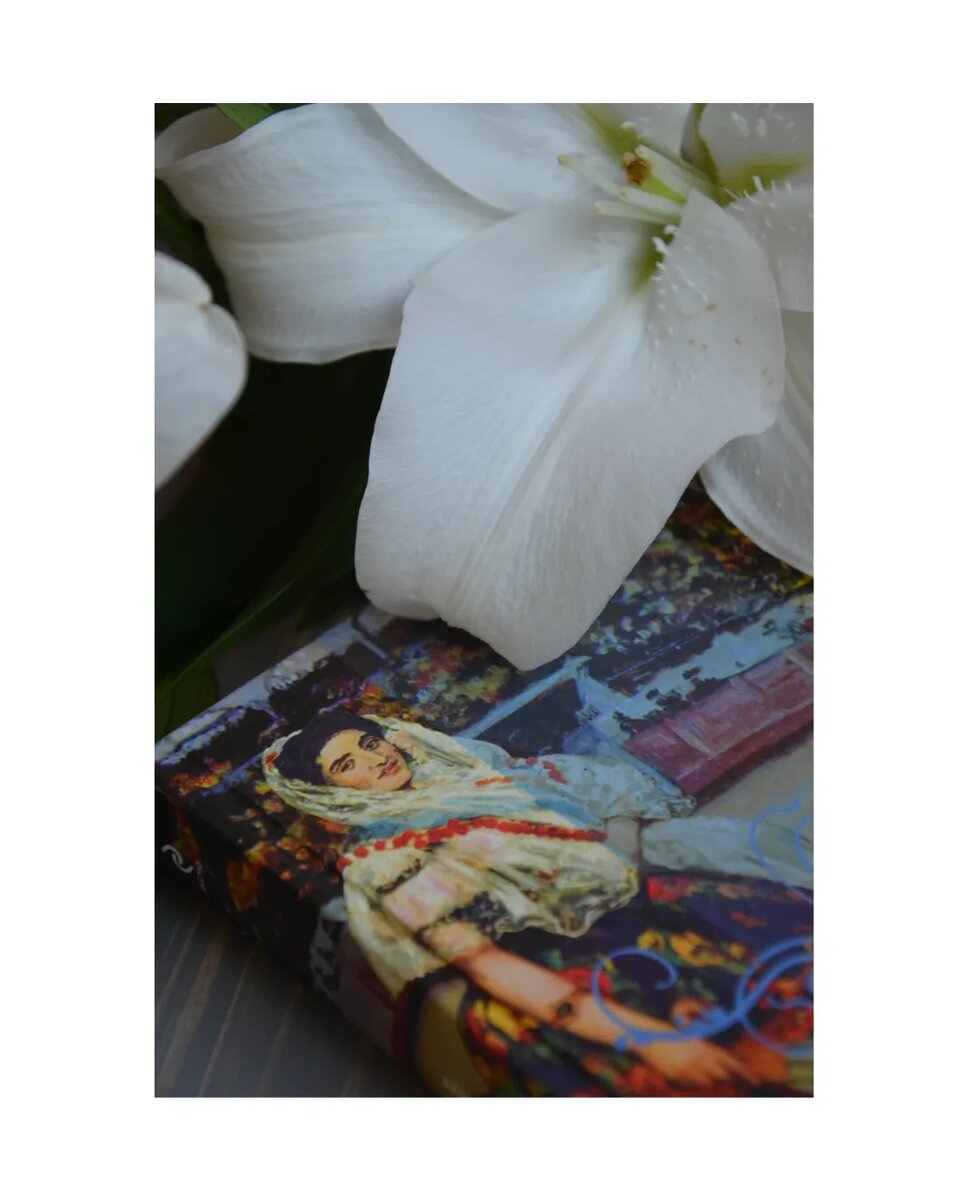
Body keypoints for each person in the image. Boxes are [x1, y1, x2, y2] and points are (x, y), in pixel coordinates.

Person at [263, 710, 810, 1090]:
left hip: (638, 907)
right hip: (569, 976)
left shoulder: (467, 780)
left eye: (368, 742)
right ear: (328, 794)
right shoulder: (384, 863)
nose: (373, 758)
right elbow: (485, 963)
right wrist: (648, 1039)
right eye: (346, 765)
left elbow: (591, 825)